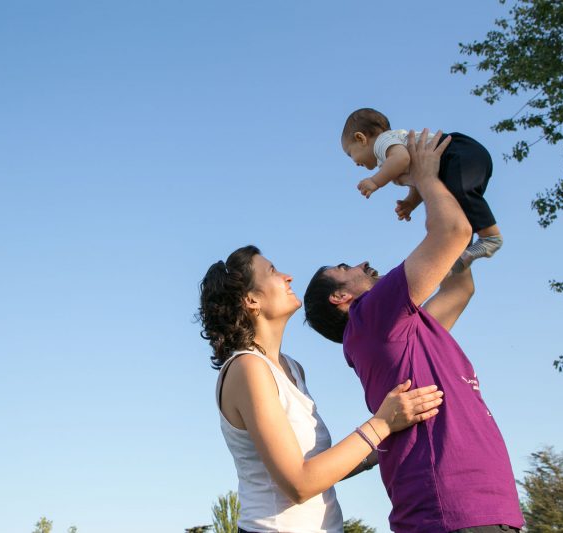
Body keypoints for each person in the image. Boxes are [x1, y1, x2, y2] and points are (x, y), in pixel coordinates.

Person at [305, 129, 524, 532]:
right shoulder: (369, 316)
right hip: (449, 508)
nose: (362, 263)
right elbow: (454, 234)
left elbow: (460, 286)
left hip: (486, 508)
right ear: (339, 298)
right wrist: (425, 176)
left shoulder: (402, 331)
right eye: (345, 268)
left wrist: (448, 193)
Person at [198, 245, 450, 532]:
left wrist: (393, 435)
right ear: (251, 300)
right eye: (272, 271)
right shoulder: (248, 369)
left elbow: (319, 469)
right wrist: (381, 423)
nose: (288, 277)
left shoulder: (292, 368)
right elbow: (300, 484)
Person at [342, 108, 503, 273]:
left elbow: (402, 159)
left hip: (457, 151)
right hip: (453, 162)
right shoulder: (387, 160)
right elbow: (417, 179)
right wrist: (411, 202)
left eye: (350, 154)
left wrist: (375, 181)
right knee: (454, 208)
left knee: (459, 194)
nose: (354, 162)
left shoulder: (382, 143)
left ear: (361, 138)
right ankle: (460, 251)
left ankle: (490, 237)